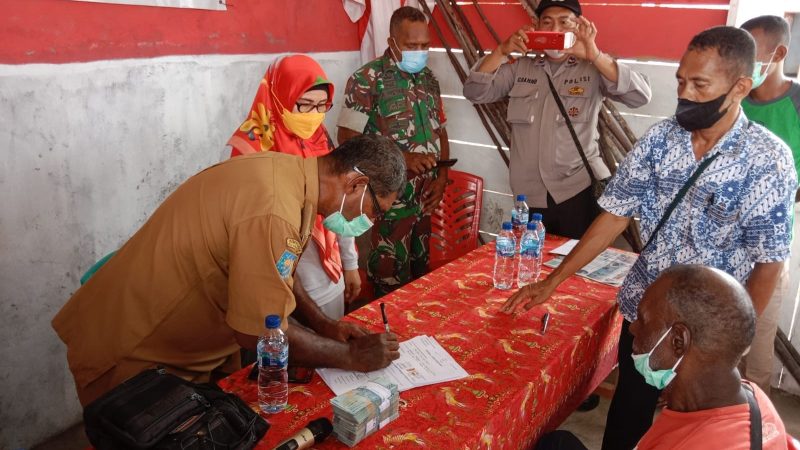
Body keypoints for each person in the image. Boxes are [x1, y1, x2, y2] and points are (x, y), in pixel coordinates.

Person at [503, 26, 796, 450]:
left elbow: (769, 263)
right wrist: (553, 280)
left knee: (693, 430)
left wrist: (728, 348)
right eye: (681, 81)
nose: (686, 94)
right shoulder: (661, 140)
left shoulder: (768, 160)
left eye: (700, 85)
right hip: (648, 313)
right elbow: (614, 216)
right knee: (629, 413)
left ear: (739, 87)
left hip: (706, 335)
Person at [52, 134, 406, 407]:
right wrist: (350, 357)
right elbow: (259, 334)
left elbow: (280, 270)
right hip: (134, 351)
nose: (369, 221)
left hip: (180, 343)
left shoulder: (291, 176)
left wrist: (325, 325)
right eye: (375, 210)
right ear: (355, 185)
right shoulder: (274, 209)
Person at [535, 265, 798, 450]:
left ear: (678, 341)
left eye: (643, 320)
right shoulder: (750, 396)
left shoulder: (696, 443)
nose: (633, 328)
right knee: (557, 443)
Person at [462, 0, 651, 239]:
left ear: (579, 27)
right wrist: (501, 51)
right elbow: (474, 92)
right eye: (547, 23)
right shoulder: (521, 68)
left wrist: (594, 55)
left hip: (578, 191)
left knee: (577, 260)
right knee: (533, 257)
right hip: (529, 196)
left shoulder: (593, 67)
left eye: (564, 22)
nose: (555, 30)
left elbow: (640, 96)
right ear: (536, 26)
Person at [229, 54, 359, 320]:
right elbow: (247, 226)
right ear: (280, 97)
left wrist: (351, 263)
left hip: (326, 280)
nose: (314, 115)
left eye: (321, 106)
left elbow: (340, 203)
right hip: (274, 287)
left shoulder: (320, 139)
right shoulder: (252, 148)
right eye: (305, 105)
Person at [337, 6, 449, 297]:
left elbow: (440, 131)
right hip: (386, 205)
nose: (419, 52)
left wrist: (442, 178)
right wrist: (403, 158)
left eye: (425, 45)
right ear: (392, 42)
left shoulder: (428, 79)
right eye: (412, 46)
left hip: (423, 200)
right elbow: (347, 142)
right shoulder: (366, 80)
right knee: (388, 286)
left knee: (420, 280)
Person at [740, 15, 800, 394]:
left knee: (756, 349)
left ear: (778, 54)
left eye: (751, 51)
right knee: (708, 338)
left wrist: (771, 197)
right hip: (715, 246)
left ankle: (751, 416)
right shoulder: (730, 98)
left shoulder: (797, 104)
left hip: (768, 252)